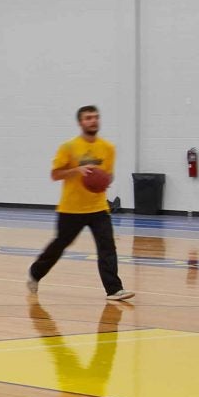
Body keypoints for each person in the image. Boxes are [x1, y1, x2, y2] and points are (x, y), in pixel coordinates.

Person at [27, 104, 134, 303]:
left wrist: (101, 180)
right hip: (71, 209)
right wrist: (77, 171)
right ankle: (35, 272)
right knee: (60, 245)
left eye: (95, 117)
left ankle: (114, 289)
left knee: (107, 247)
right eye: (88, 118)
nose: (93, 120)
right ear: (80, 122)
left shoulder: (108, 148)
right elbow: (55, 174)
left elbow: (108, 176)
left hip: (98, 207)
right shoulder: (68, 147)